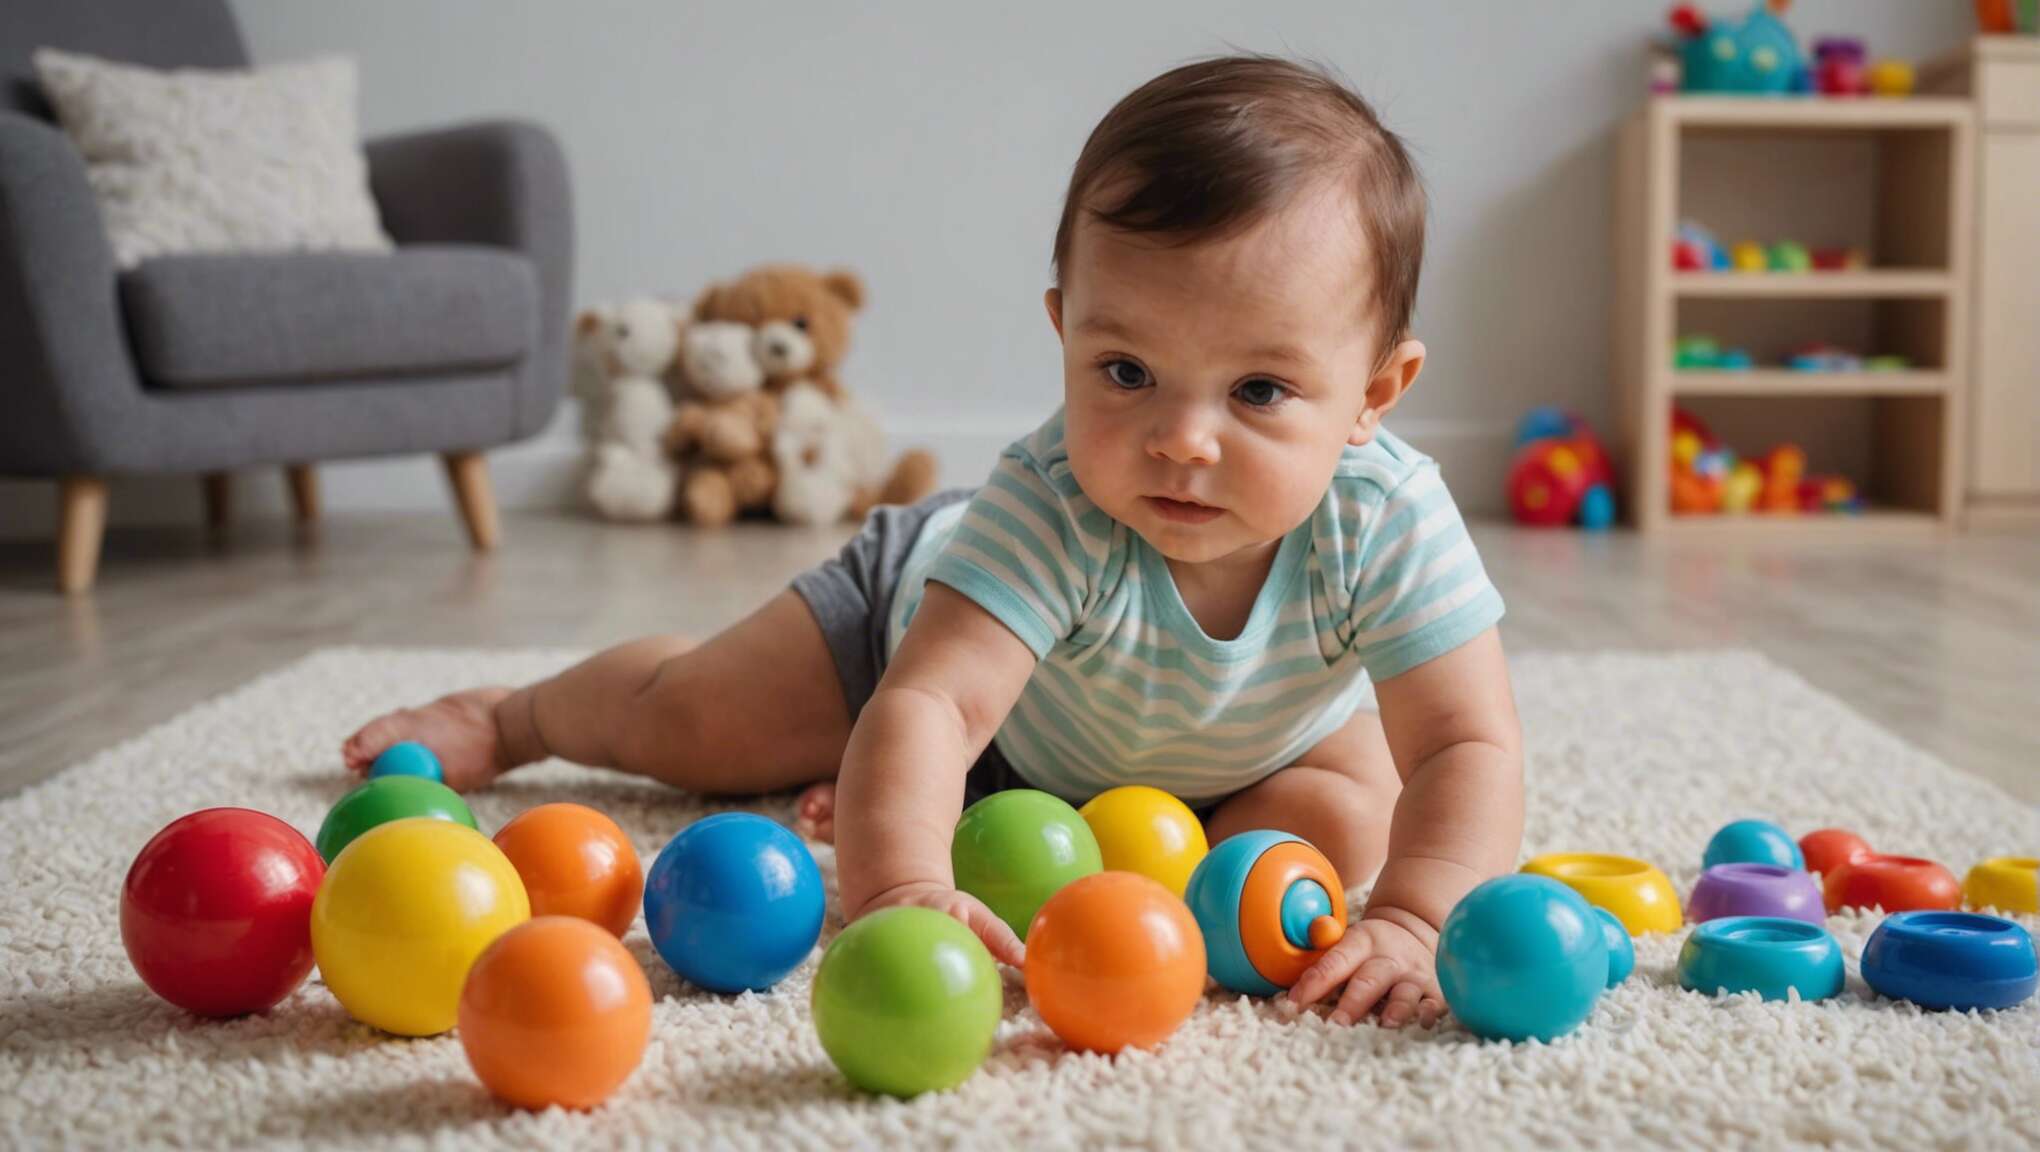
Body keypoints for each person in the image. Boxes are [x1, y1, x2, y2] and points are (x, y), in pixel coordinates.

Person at [344, 54, 1522, 1029]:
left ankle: (1030, 830)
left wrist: (1416, 919)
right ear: (1065, 333)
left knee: (1357, 803)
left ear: (1376, 391)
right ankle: (521, 714)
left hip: (1228, 748)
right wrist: (906, 884)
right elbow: (933, 709)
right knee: (699, 719)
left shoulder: (1383, 517)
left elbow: (1467, 741)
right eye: (1126, 372)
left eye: (1259, 392)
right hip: (917, 642)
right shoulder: (1055, 497)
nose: (1181, 440)